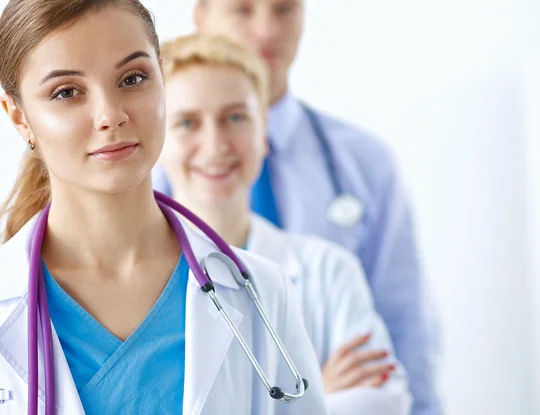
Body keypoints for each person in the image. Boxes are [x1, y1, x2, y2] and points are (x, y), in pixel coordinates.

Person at [0, 1, 328, 414]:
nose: (110, 115)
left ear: (162, 78)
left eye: (132, 78)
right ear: (18, 116)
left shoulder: (259, 292)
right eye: (67, 92)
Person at [152, 1, 442, 413]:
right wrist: (315, 400)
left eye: (284, 8)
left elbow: (402, 340)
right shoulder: (146, 186)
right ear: (202, 16)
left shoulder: (359, 175)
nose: (267, 29)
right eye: (242, 9)